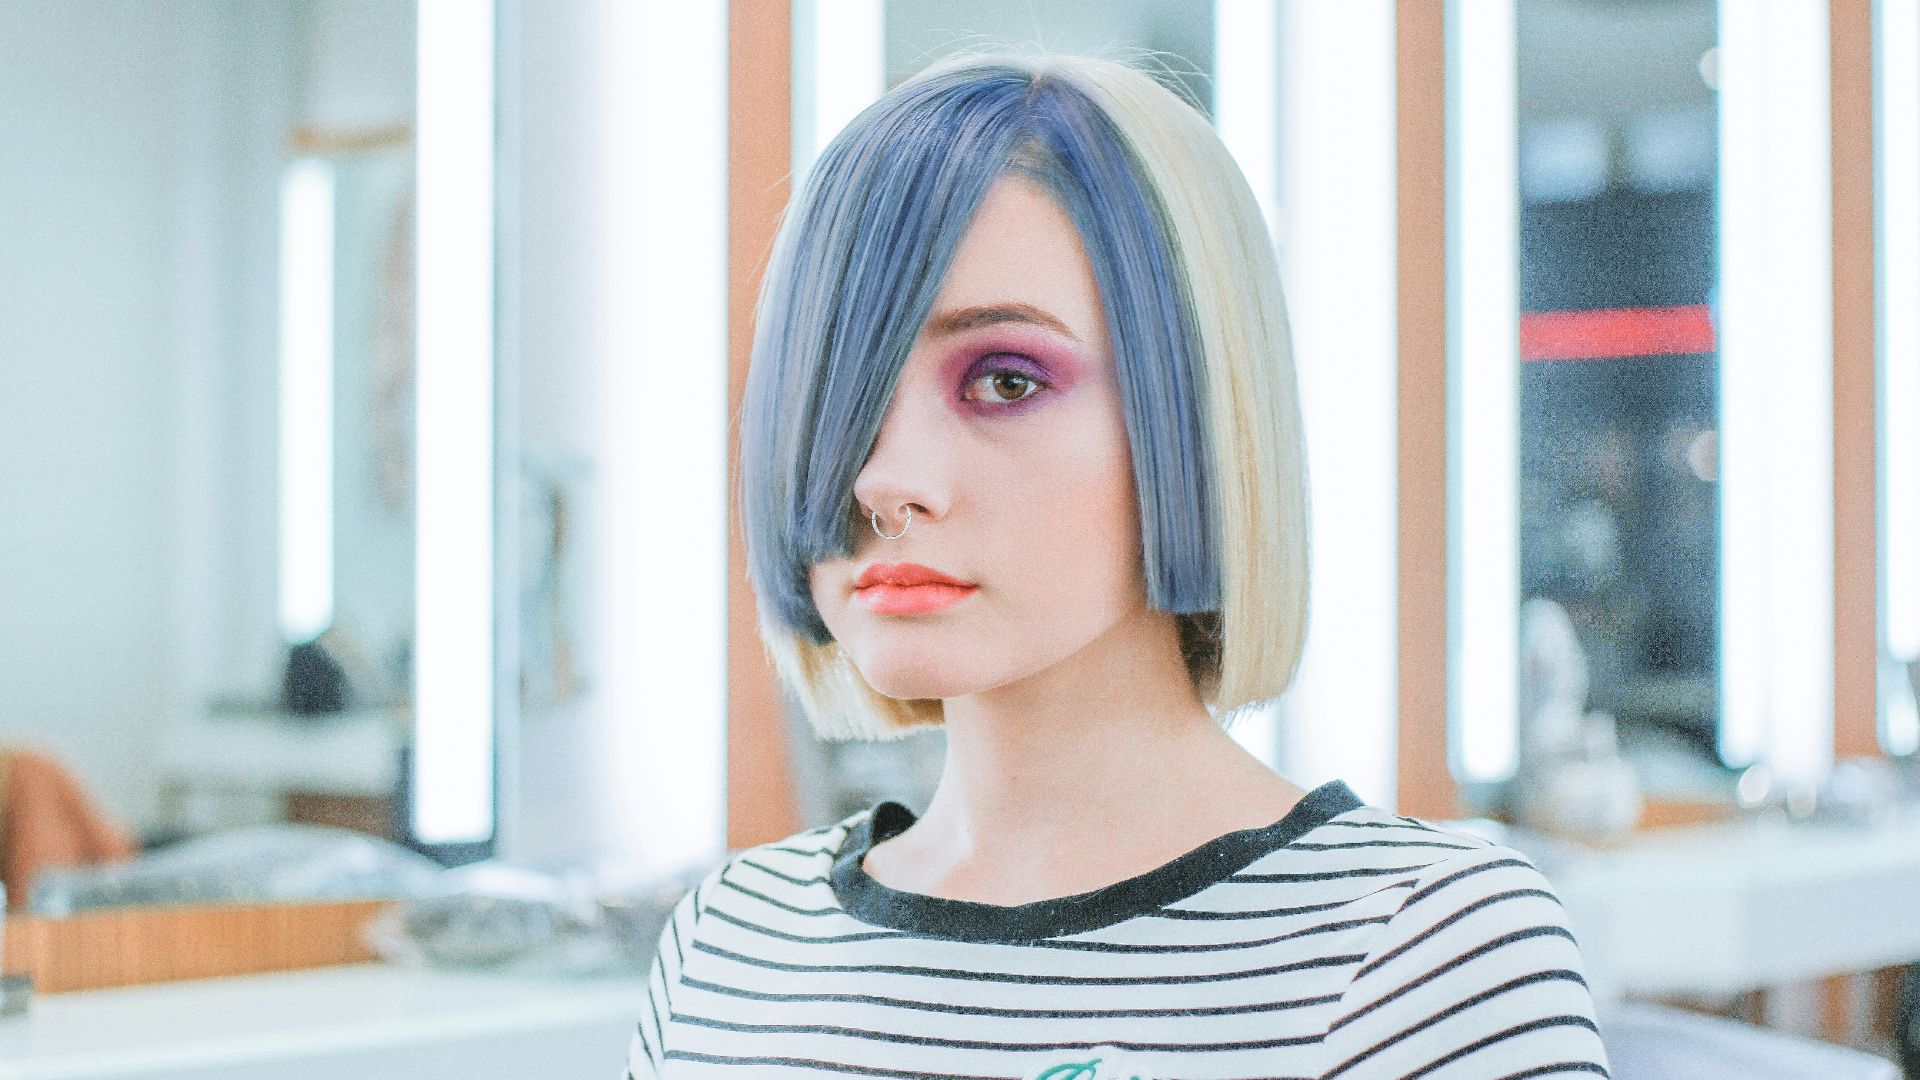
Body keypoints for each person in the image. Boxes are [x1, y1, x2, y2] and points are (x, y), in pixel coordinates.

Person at [627, 51, 1611, 1079]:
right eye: (840, 391)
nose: (884, 481)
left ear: (1198, 414)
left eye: (1006, 381)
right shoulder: (727, 945)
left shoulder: (1419, 953)